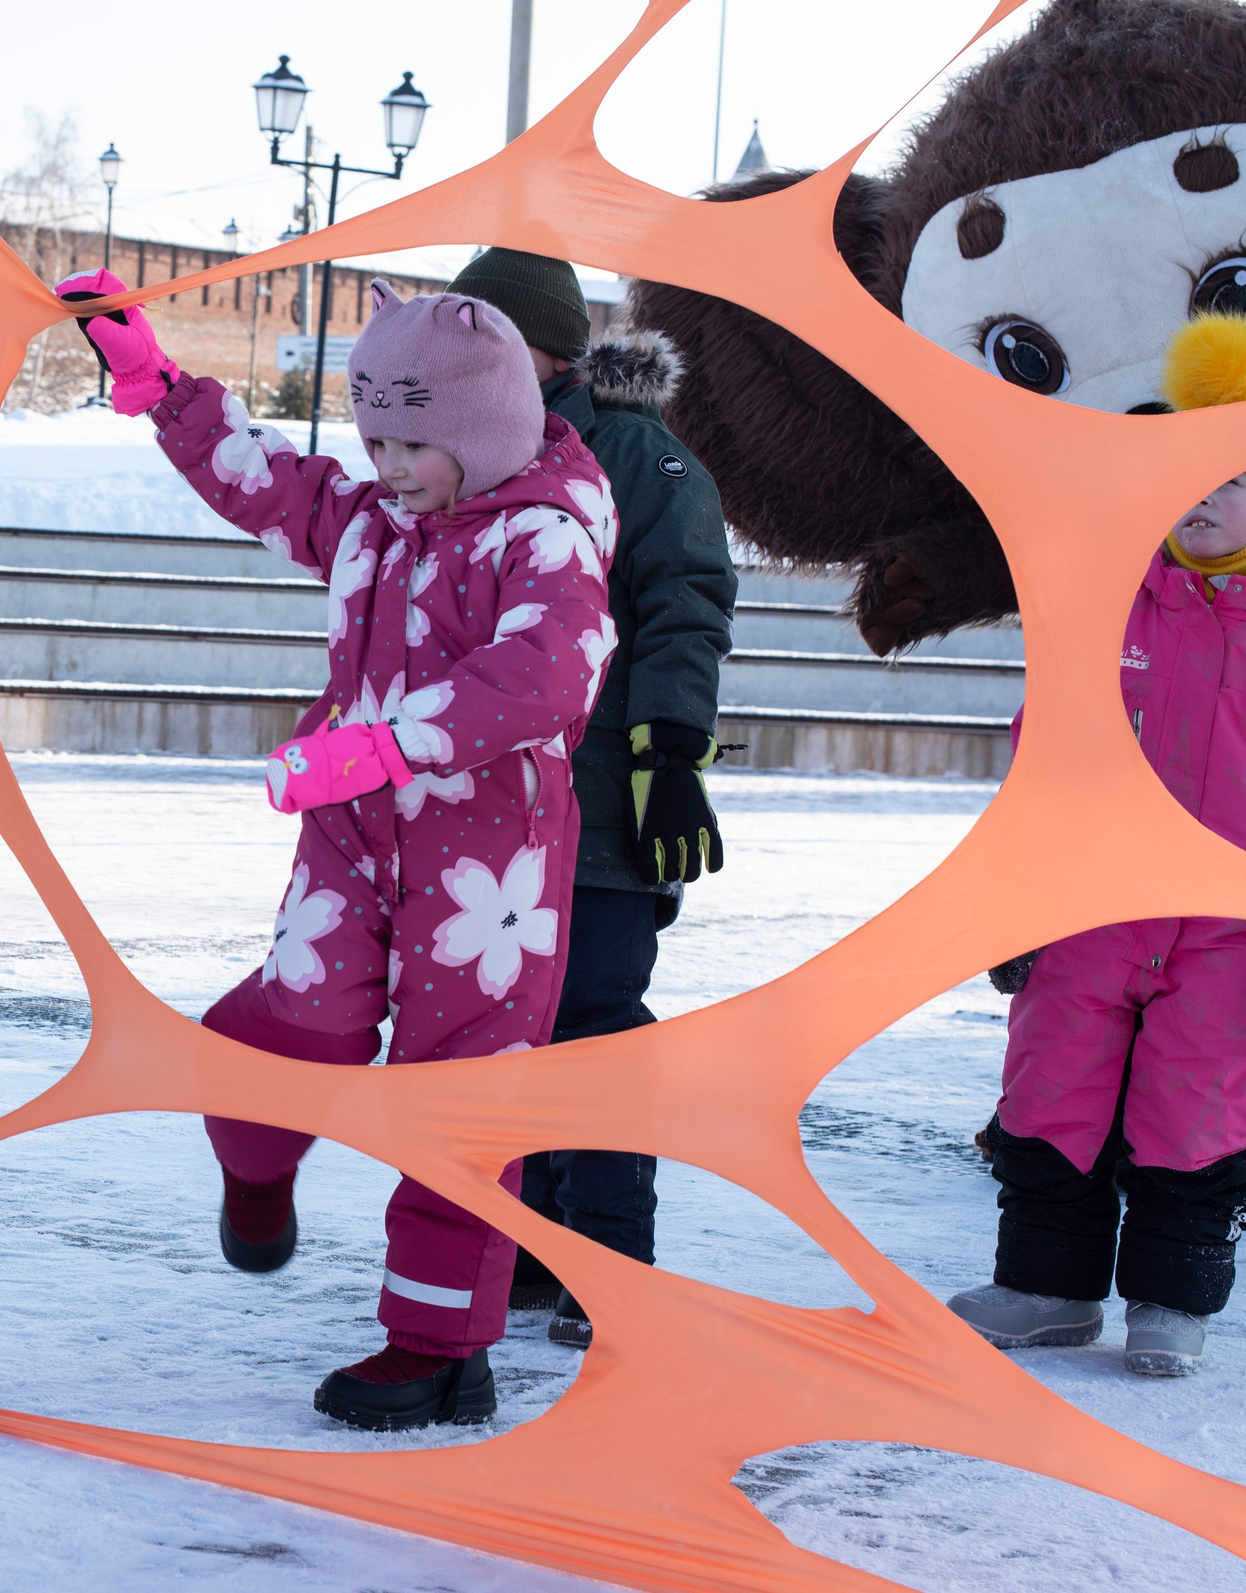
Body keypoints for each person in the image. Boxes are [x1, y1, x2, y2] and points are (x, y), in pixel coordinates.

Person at [60, 265, 616, 1431]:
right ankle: (257, 1158)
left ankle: (435, 1346)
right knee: (291, 1022)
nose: (389, 467)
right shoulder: (375, 518)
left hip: (490, 869)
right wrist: (161, 387)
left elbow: (547, 673)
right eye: (374, 440)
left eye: (414, 444)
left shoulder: (544, 537)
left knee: (455, 1098)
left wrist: (383, 746)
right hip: (352, 838)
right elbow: (264, 482)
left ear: (490, 428)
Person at [947, 314, 1246, 1376]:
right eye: (1183, 479)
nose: (1200, 500)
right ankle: (1043, 1289)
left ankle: (1168, 1303)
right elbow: (1042, 768)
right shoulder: (1106, 612)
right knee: (1051, 1097)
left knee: (1194, 1117)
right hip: (1092, 918)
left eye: (1229, 481)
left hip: (1224, 939)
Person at [446, 249, 738, 1350]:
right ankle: (523, 1249)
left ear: (551, 348)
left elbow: (685, 603)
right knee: (500, 1029)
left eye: (491, 337)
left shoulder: (631, 453)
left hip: (605, 798)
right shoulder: (468, 457)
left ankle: (607, 1265)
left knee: (594, 1026)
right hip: (490, 808)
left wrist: (669, 758)